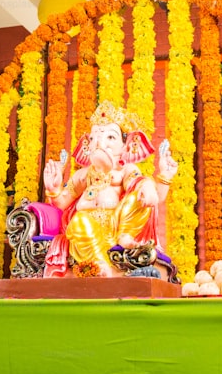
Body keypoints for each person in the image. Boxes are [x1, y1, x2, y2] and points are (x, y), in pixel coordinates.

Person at [42, 100, 178, 277]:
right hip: (87, 230)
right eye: (94, 138)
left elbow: (150, 194)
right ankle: (99, 264)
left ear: (125, 147)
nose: (100, 143)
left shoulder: (124, 171)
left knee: (140, 192)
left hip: (118, 226)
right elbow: (61, 203)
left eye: (110, 137)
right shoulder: (83, 175)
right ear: (87, 145)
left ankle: (124, 237)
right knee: (78, 222)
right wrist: (54, 188)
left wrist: (162, 179)